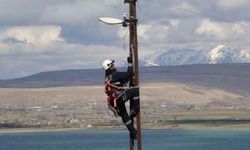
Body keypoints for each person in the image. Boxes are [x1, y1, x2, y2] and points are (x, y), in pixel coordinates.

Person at [102, 57, 139, 139]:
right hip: (119, 97)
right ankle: (134, 109)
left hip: (114, 102)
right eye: (112, 64)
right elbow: (129, 75)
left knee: (124, 115)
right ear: (110, 66)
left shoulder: (107, 78)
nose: (114, 65)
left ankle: (134, 133)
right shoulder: (115, 75)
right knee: (136, 90)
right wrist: (129, 64)